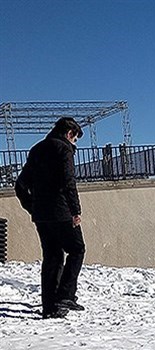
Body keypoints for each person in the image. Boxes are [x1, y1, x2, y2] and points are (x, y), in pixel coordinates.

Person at [14, 117, 86, 319]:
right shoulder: (64, 150)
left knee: (52, 257)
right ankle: (65, 295)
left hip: (42, 215)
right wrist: (75, 211)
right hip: (62, 212)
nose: (75, 143)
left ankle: (50, 307)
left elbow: (20, 185)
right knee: (77, 249)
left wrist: (32, 207)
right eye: (75, 139)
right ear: (70, 133)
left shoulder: (37, 149)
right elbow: (68, 182)